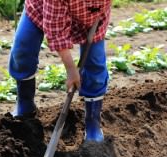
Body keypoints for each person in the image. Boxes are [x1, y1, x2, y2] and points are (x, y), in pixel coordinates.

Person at [8, 0, 111, 142]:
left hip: (91, 15)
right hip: (42, 8)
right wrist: (70, 68)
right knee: (22, 51)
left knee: (95, 66)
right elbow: (55, 29)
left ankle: (93, 123)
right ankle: (25, 105)